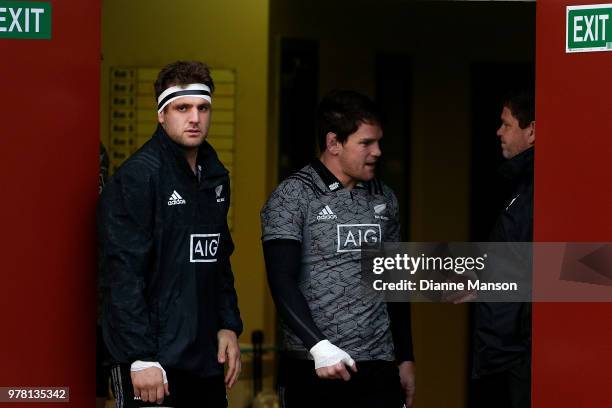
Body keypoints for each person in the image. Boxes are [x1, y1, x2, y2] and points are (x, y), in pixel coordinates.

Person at [98, 61, 242, 407]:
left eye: (202, 108)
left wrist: (228, 325)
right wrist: (140, 356)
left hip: (206, 359)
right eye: (182, 108)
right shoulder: (138, 177)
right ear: (162, 114)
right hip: (152, 364)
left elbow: (219, 259)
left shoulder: (215, 175)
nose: (194, 118)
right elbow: (122, 275)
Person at [261, 90, 416, 408]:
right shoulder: (293, 196)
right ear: (333, 143)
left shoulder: (384, 197)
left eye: (379, 142)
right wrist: (318, 346)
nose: (378, 152)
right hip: (313, 367)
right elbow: (281, 280)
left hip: (378, 367)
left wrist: (406, 357)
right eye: (366, 143)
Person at [471, 89, 534, 408]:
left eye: (506, 124)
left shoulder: (541, 187)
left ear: (532, 131)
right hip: (505, 354)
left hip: (520, 356)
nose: (498, 131)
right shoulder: (521, 184)